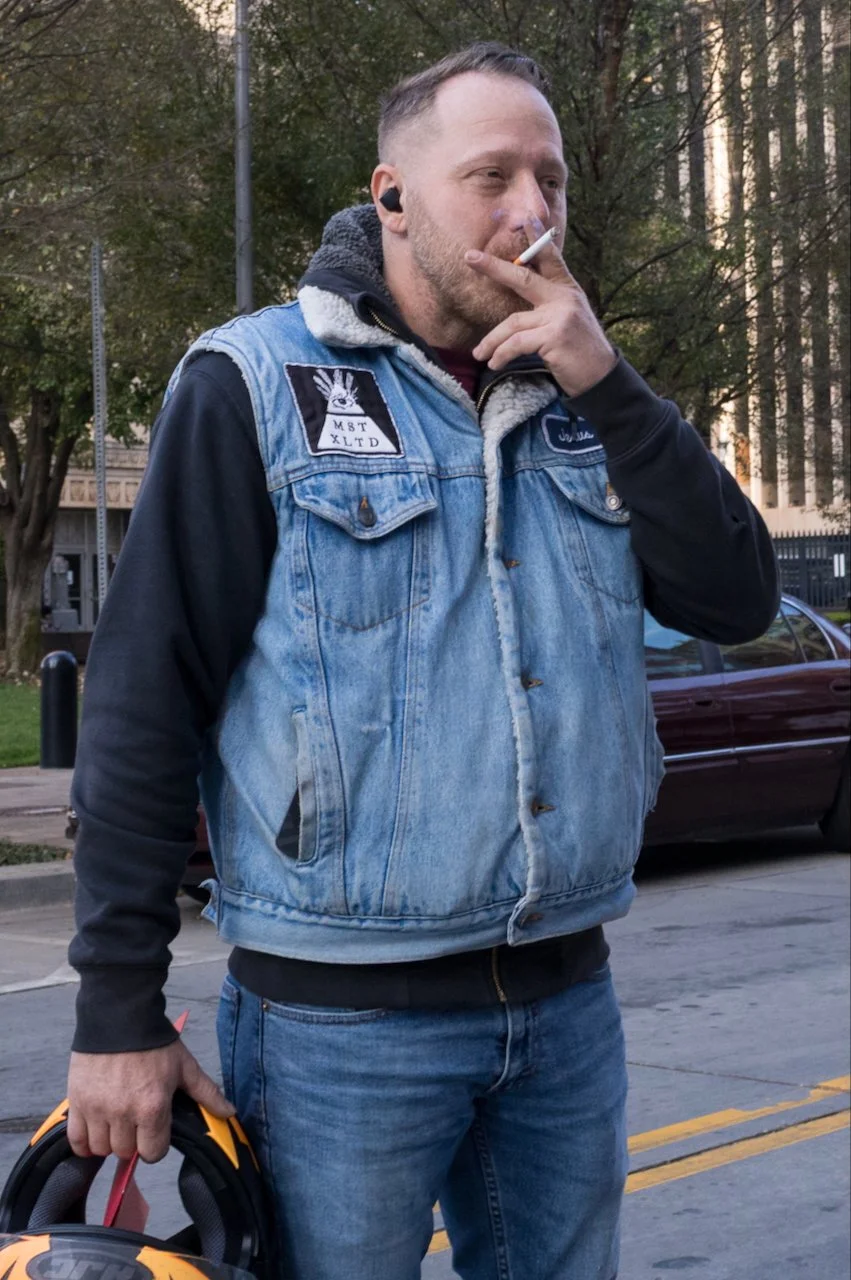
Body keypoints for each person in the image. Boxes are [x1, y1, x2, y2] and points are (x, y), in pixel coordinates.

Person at [66, 43, 779, 1280]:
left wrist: (605, 378)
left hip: (565, 1004)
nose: (530, 211)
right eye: (490, 175)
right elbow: (142, 700)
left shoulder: (580, 392)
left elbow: (734, 592)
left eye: (548, 181)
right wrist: (115, 1013)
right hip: (342, 1026)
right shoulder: (253, 383)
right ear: (392, 194)